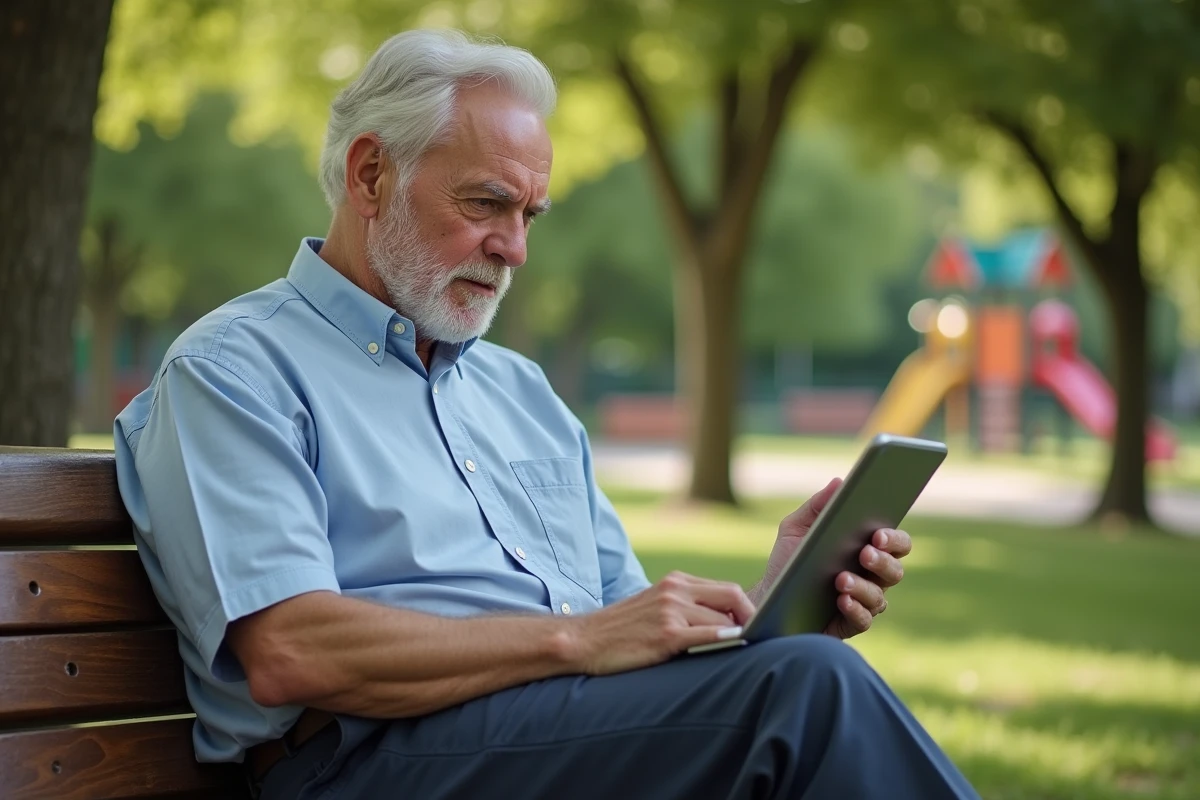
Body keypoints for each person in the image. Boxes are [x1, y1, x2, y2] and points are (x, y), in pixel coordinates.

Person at [113, 28, 980, 800]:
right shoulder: (236, 370)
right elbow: (291, 651)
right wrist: (575, 641)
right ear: (370, 174)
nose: (515, 248)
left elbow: (623, 626)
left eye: (530, 215)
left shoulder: (519, 391)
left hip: (555, 734)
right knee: (806, 694)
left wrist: (766, 614)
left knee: (801, 670)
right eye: (486, 203)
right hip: (365, 762)